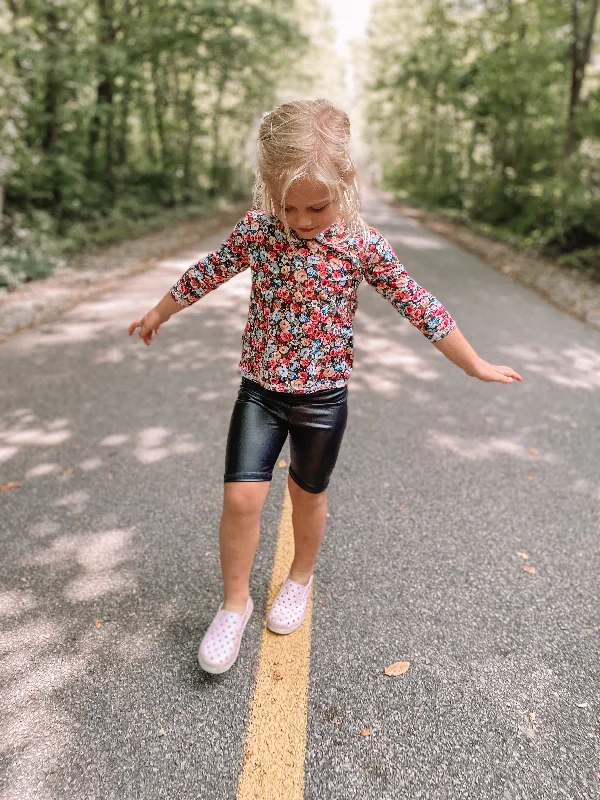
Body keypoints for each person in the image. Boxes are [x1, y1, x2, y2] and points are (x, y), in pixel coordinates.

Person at [128, 99, 522, 675]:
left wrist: (473, 363)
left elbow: (421, 305)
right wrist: (161, 311)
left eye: (317, 206)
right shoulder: (260, 234)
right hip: (260, 392)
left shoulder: (360, 244)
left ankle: (298, 579)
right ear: (267, 190)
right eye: (289, 207)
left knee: (306, 495)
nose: (304, 220)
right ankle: (234, 604)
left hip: (322, 400)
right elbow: (207, 271)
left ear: (347, 183)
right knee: (241, 497)